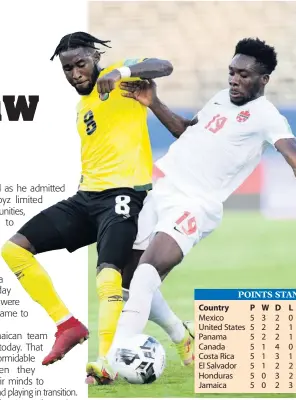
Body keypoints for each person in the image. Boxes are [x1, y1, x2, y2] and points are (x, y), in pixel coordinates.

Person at [87, 37, 296, 383]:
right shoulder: (219, 98)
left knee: (147, 272)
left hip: (194, 204)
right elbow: (185, 133)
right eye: (231, 72)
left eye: (244, 75)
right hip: (162, 189)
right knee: (127, 283)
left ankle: (111, 361)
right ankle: (182, 336)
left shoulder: (266, 116)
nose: (234, 79)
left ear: (264, 80)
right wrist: (154, 102)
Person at [0, 31, 174, 367]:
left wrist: (120, 73)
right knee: (13, 249)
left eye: (80, 64)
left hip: (124, 196)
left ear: (95, 58)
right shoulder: (83, 107)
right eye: (67, 69)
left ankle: (105, 362)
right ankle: (67, 325)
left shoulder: (124, 77)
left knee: (112, 277)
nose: (75, 73)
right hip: (86, 198)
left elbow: (164, 66)